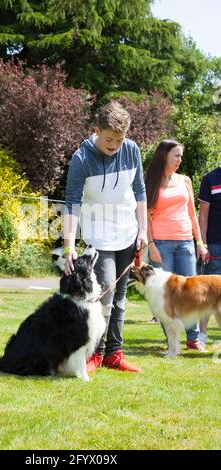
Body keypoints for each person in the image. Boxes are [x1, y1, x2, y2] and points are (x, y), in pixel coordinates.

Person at [63, 100, 147, 373]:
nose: (114, 146)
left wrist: (143, 229)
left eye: (120, 140)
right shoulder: (81, 158)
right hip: (99, 236)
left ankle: (114, 354)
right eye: (109, 139)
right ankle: (95, 354)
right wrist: (69, 246)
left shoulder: (131, 150)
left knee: (121, 298)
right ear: (95, 130)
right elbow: (72, 202)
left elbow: (140, 192)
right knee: (105, 296)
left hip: (128, 232)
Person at [145, 139, 209, 352]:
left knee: (191, 292)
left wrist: (199, 242)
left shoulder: (185, 181)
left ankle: (193, 339)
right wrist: (151, 244)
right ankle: (172, 340)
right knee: (165, 295)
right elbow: (147, 217)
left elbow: (193, 214)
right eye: (177, 155)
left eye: (181, 155)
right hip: (161, 243)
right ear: (165, 155)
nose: (180, 160)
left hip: (185, 242)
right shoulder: (150, 181)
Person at [198, 165, 221, 344]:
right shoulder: (210, 178)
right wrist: (202, 244)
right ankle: (202, 336)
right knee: (209, 293)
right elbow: (203, 215)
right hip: (215, 245)